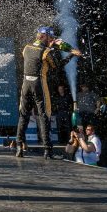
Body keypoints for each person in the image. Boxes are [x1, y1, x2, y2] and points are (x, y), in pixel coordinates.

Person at [15, 27, 79, 159]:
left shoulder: (26, 47)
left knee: (23, 115)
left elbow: (31, 59)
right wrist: (71, 54)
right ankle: (47, 151)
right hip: (39, 84)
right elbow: (57, 66)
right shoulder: (46, 51)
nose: (52, 39)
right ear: (44, 36)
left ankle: (18, 147)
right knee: (44, 115)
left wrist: (50, 46)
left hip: (25, 84)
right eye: (50, 37)